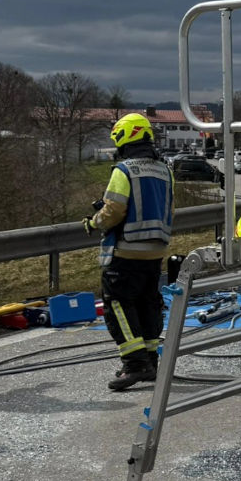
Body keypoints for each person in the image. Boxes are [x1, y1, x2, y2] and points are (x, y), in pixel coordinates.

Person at [84, 113, 174, 391]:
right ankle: (149, 361)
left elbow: (113, 211)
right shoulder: (165, 170)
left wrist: (93, 222)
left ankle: (135, 365)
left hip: (126, 251)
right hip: (155, 251)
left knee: (118, 306)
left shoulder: (123, 171)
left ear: (124, 138)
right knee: (148, 304)